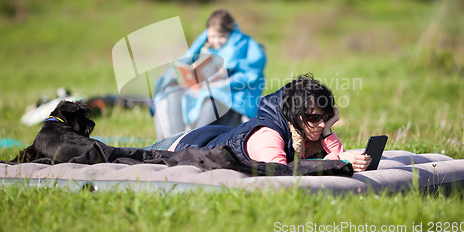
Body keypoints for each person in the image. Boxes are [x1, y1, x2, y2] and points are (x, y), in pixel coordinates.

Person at [147, 74, 372, 172]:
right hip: (180, 146)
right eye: (313, 118)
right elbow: (281, 172)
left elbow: (335, 159)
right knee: (135, 156)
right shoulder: (269, 136)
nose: (321, 124)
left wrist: (328, 130)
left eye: (325, 117)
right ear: (295, 114)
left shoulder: (303, 129)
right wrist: (339, 159)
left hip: (214, 135)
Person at [152, 9, 266, 140]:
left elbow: (251, 72)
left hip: (225, 92)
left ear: (229, 33)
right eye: (213, 36)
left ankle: (195, 141)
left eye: (221, 36)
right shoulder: (204, 45)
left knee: (210, 98)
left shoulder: (242, 45)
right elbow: (187, 60)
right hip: (198, 88)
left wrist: (224, 77)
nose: (217, 41)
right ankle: (175, 139)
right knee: (172, 92)